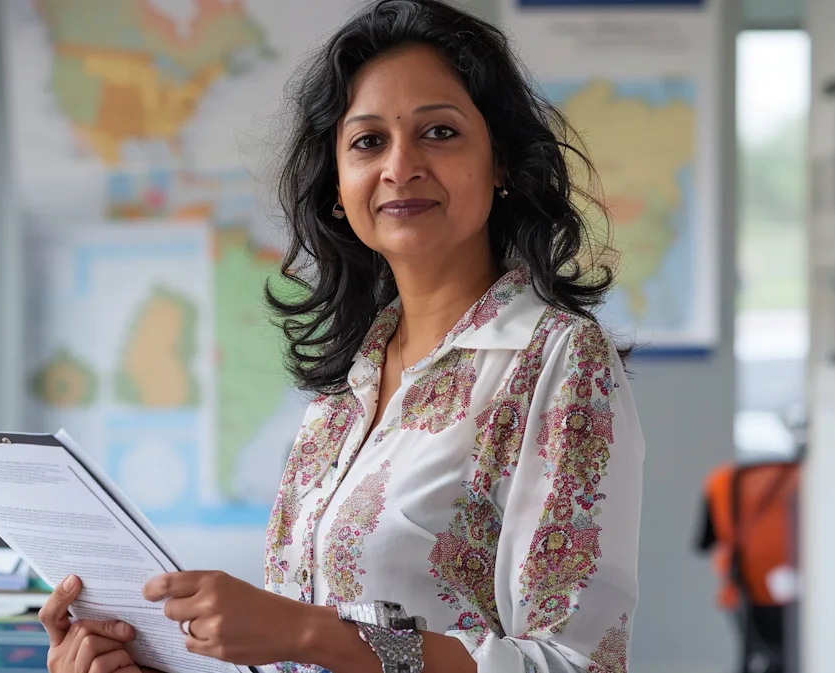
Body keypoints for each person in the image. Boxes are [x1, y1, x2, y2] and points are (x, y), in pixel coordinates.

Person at [38, 1, 645, 671]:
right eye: (367, 141)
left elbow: (575, 661)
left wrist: (311, 632)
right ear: (338, 186)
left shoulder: (559, 360)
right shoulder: (343, 387)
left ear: (500, 162)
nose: (400, 165)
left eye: (439, 132)